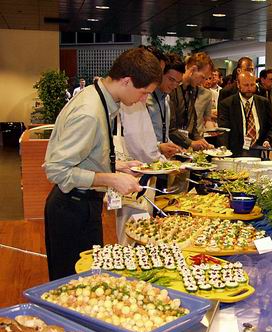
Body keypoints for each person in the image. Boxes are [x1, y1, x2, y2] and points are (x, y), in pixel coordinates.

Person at [44, 47, 162, 280]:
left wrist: (116, 166)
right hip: (72, 208)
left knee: (90, 278)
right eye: (143, 93)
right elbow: (56, 170)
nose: (144, 100)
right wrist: (111, 179)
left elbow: (84, 154)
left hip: (83, 204)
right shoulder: (90, 111)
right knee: (74, 284)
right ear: (126, 81)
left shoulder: (98, 98)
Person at [217, 71, 272, 157]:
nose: (249, 88)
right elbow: (223, 130)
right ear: (238, 85)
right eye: (246, 85)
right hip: (236, 151)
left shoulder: (264, 102)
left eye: (252, 85)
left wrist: (267, 140)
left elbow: (269, 127)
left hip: (258, 149)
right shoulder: (227, 104)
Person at [168, 52, 214, 150]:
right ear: (193, 69)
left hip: (184, 147)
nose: (203, 82)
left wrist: (200, 140)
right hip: (171, 146)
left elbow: (192, 122)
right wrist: (191, 143)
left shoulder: (192, 89)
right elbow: (171, 128)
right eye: (202, 77)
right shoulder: (172, 88)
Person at [145, 51, 184, 159]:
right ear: (160, 74)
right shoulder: (144, 97)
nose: (174, 85)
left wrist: (173, 146)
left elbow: (164, 134)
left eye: (178, 82)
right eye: (171, 79)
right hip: (145, 159)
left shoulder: (167, 98)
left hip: (161, 159)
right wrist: (159, 146)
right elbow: (136, 137)